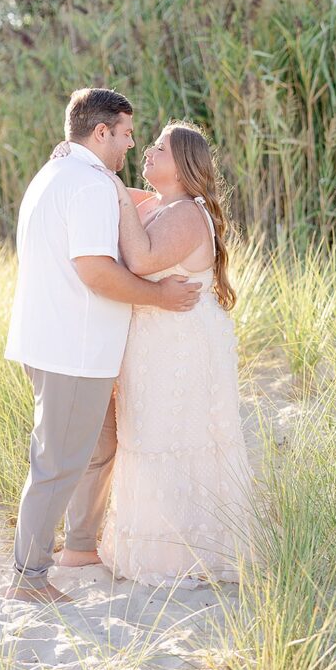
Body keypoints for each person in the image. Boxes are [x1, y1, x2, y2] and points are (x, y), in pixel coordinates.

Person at [3, 89, 202, 603]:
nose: (132, 146)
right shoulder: (89, 185)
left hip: (49, 339)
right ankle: (28, 579)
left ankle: (81, 546)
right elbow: (95, 270)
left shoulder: (57, 174)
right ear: (101, 132)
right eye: (127, 134)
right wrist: (158, 295)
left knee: (91, 450)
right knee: (57, 462)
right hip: (73, 346)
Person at [98, 121, 257, 587]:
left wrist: (116, 189)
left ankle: (181, 553)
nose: (147, 151)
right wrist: (94, 170)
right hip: (158, 341)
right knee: (151, 437)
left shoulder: (186, 213)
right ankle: (159, 544)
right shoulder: (162, 205)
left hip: (180, 344)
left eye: (159, 148)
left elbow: (144, 260)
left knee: (174, 436)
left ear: (184, 165)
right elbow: (118, 193)